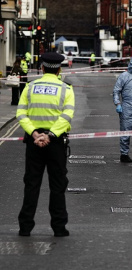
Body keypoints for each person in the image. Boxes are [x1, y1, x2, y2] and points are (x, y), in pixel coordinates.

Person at [16, 52, 75, 237]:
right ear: (59, 69)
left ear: (42, 68)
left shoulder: (30, 86)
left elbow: (21, 114)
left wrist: (35, 134)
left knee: (31, 184)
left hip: (33, 142)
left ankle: (25, 227)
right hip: (55, 142)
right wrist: (50, 135)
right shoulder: (66, 89)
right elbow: (67, 116)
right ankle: (59, 227)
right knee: (57, 185)